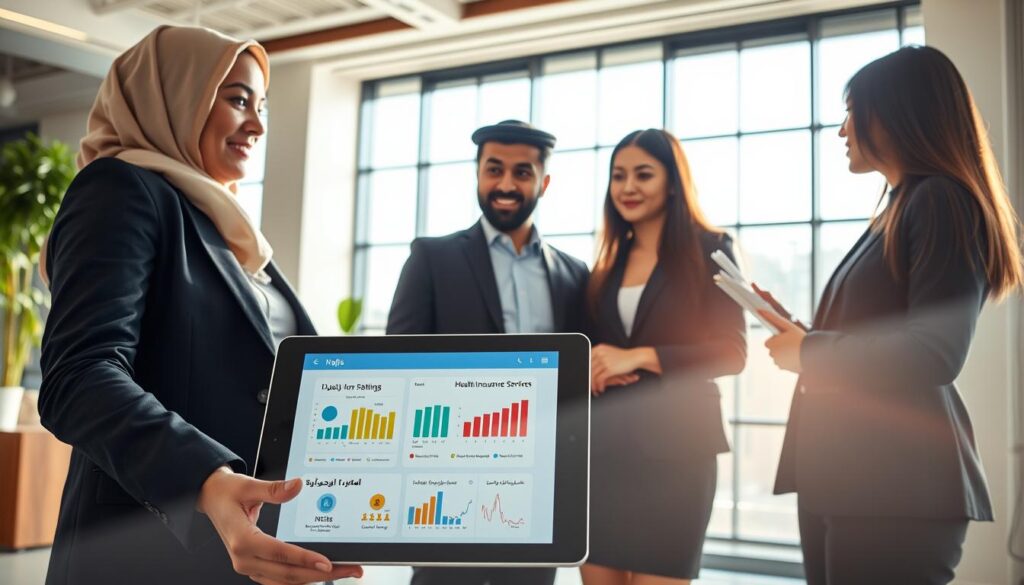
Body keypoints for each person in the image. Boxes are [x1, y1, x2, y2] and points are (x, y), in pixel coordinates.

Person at [38, 26, 362, 585]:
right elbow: (79, 376)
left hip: (250, 552)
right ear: (175, 96)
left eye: (262, 106)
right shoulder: (120, 190)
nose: (258, 124)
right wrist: (206, 481)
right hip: (147, 556)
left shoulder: (225, 229)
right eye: (237, 99)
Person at [758, 46, 1023, 585]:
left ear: (897, 114)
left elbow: (933, 352)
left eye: (852, 111)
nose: (841, 131)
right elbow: (884, 336)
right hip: (851, 477)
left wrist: (809, 352)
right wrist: (801, 334)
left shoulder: (940, 200)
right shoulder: (901, 205)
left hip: (895, 487)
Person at [387, 119, 589, 585]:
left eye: (522, 172)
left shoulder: (574, 274)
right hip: (447, 483)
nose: (505, 184)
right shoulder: (431, 258)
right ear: (477, 174)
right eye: (493, 169)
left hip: (538, 484)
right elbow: (399, 367)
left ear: (544, 182)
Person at [582, 129, 746, 585]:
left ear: (673, 182)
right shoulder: (606, 264)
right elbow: (594, 350)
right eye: (618, 176)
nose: (628, 187)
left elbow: (732, 353)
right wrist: (594, 369)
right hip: (606, 456)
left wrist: (639, 357)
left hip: (679, 455)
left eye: (643, 174)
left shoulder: (711, 248)